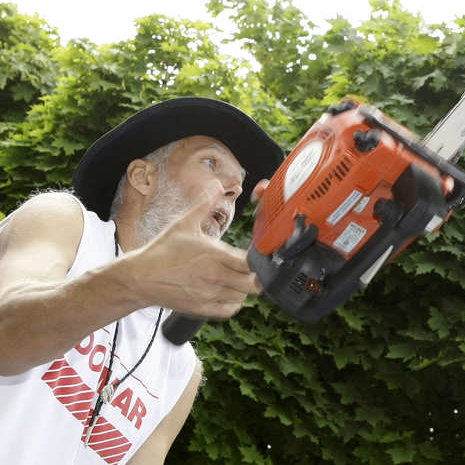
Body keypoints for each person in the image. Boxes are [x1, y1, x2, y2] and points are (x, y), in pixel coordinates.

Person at [0, 97, 284, 464]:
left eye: (237, 188)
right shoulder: (67, 223)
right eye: (211, 163)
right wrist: (134, 281)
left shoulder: (182, 369)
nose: (232, 191)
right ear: (143, 177)